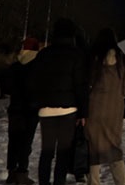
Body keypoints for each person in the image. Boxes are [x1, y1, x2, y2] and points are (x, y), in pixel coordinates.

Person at [28, 18, 89, 185]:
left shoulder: (44, 54)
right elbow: (81, 86)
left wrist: (38, 102)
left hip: (45, 110)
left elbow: (33, 82)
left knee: (46, 152)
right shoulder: (76, 55)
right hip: (68, 111)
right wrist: (83, 112)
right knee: (63, 152)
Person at [85, 28, 125, 185]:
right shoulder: (123, 60)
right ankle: (121, 182)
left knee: (93, 148)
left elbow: (87, 83)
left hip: (94, 109)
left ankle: (94, 182)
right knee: (114, 147)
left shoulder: (93, 59)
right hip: (114, 110)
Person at [5, 37, 41, 185]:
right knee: (26, 142)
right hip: (31, 110)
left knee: (13, 140)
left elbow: (6, 87)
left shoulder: (14, 66)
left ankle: (11, 172)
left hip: (15, 109)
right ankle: (22, 172)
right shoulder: (38, 66)